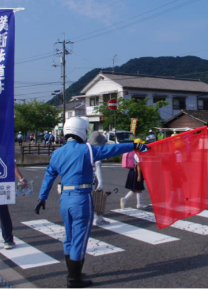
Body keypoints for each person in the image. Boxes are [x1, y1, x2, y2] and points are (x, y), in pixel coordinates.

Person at [34, 116, 150, 288]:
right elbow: (112, 150)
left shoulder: (57, 152)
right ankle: (74, 279)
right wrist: (134, 145)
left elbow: (49, 175)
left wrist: (42, 197)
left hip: (64, 198)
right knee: (80, 238)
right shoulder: (86, 149)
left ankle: (73, 273)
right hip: (81, 197)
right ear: (81, 130)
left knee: (69, 237)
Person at [120, 139, 149, 209]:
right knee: (138, 188)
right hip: (136, 172)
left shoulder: (133, 152)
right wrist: (139, 175)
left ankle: (126, 199)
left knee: (135, 188)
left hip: (132, 171)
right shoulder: (137, 154)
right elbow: (138, 165)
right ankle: (139, 204)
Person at [88, 131, 110, 225]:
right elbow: (98, 170)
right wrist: (100, 182)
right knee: (98, 199)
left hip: (85, 181)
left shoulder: (87, 151)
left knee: (88, 200)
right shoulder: (96, 153)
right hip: (94, 181)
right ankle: (99, 218)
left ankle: (91, 217)